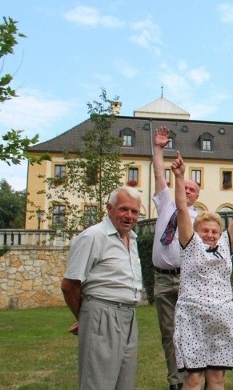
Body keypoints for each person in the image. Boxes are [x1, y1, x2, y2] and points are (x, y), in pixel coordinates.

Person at [171, 151, 233, 390]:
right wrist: (180, 177)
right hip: (192, 318)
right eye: (205, 230)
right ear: (196, 231)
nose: (210, 234)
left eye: (214, 230)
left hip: (221, 317)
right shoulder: (190, 245)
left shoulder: (224, 244)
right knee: (193, 378)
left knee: (217, 378)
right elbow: (181, 210)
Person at [61, 186, 143, 390]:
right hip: (102, 314)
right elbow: (69, 285)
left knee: (124, 384)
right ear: (109, 208)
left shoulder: (131, 239)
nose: (129, 216)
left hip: (129, 316)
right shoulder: (93, 236)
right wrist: (86, 318)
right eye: (124, 209)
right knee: (98, 384)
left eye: (135, 212)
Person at [152, 126, 201, 390]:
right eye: (186, 186)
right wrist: (159, 147)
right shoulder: (166, 202)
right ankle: (175, 381)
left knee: (189, 333)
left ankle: (193, 378)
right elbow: (159, 173)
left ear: (197, 196)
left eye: (193, 189)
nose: (188, 191)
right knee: (168, 333)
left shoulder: (198, 220)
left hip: (186, 280)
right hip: (162, 279)